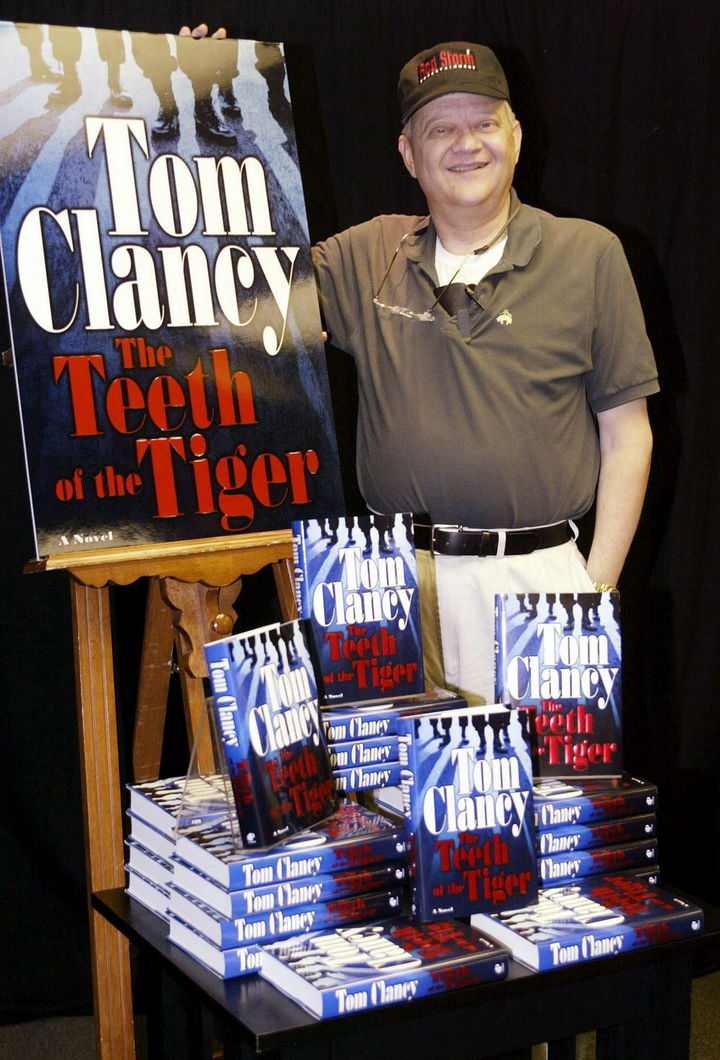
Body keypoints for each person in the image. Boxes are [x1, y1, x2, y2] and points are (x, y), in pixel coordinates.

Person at [186, 33, 659, 705]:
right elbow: (233, 274)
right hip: (388, 582)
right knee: (395, 775)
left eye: (484, 123)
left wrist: (593, 591)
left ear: (516, 136)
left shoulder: (589, 255)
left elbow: (628, 434)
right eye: (441, 129)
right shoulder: (368, 254)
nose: (467, 144)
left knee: (543, 774)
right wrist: (192, 102)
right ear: (409, 153)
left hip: (542, 585)